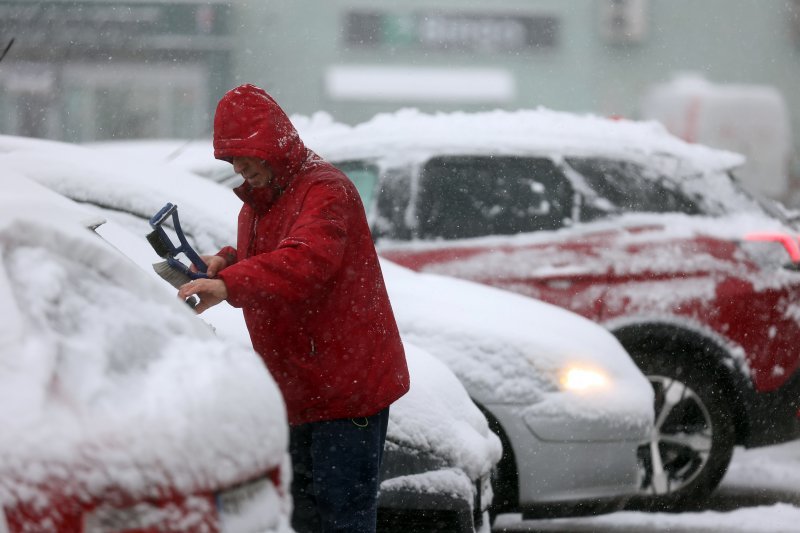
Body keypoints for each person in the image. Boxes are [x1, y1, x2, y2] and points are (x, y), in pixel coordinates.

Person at [178, 83, 410, 533]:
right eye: (231, 160)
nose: (240, 168)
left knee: (342, 515)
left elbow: (306, 260)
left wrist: (228, 284)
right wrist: (225, 260)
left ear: (273, 145)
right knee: (303, 515)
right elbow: (272, 249)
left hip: (346, 388)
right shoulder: (264, 197)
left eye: (246, 156)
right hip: (299, 385)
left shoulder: (326, 190)